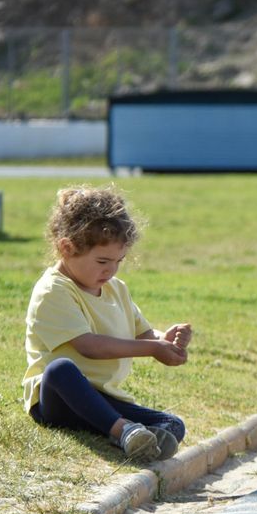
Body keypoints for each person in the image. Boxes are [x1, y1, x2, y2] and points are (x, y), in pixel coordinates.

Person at [22, 186, 189, 464]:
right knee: (61, 369)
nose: (110, 270)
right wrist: (152, 348)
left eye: (118, 261)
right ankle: (123, 431)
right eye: (102, 261)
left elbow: (144, 334)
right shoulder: (53, 290)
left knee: (173, 425)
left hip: (104, 398)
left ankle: (122, 431)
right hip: (59, 399)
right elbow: (90, 347)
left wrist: (165, 340)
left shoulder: (116, 289)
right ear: (67, 248)